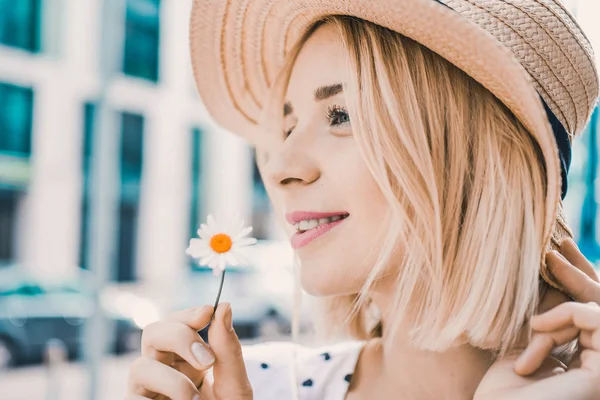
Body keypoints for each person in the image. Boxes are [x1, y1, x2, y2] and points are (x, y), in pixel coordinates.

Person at [126, 0, 600, 399]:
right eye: (288, 127)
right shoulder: (248, 387)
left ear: (475, 158)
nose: (280, 166)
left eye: (341, 115)